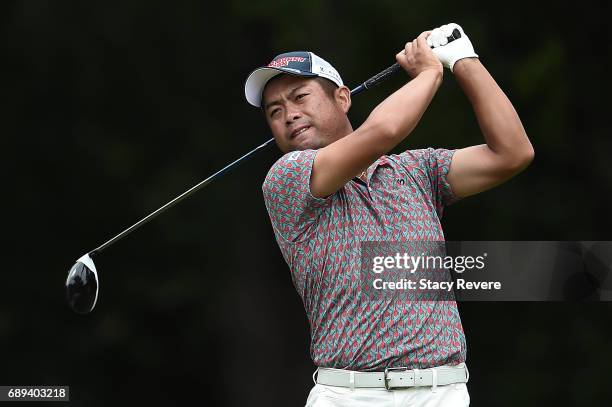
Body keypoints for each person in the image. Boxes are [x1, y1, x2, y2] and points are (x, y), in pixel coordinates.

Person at [244, 23, 533, 407]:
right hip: (348, 396)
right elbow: (384, 129)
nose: (289, 115)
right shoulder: (286, 178)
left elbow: (512, 153)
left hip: (441, 392)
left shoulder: (417, 171)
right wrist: (430, 72)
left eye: (300, 97)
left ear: (343, 98)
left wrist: (463, 59)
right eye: (275, 111)